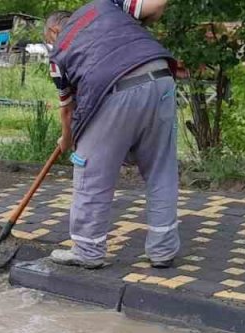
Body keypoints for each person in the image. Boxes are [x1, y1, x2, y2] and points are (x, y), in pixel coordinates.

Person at [42, 0, 180, 269]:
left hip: (114, 89)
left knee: (90, 169)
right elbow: (156, 4)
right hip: (161, 78)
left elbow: (68, 110)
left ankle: (87, 250)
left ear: (54, 32)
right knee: (161, 168)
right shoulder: (106, 6)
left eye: (49, 41)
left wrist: (68, 141)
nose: (52, 46)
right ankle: (163, 251)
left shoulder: (58, 55)